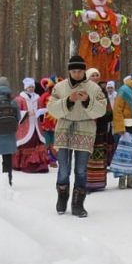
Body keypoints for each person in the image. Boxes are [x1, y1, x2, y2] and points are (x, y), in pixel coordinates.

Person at [47, 55, 107, 217]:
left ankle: (78, 203)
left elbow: (102, 109)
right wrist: (69, 100)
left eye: (80, 71)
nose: (77, 74)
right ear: (69, 71)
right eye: (74, 71)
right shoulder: (59, 87)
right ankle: (62, 196)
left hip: (85, 128)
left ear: (84, 71)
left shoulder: (93, 88)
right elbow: (51, 108)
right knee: (64, 168)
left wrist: (87, 101)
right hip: (64, 127)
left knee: (81, 169)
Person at [109, 69, 132, 189]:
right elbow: (117, 110)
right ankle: (122, 179)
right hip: (127, 127)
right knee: (124, 154)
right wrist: (119, 127)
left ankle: (131, 179)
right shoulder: (124, 90)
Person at [85, 67, 114, 192]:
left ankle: (98, 182)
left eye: (97, 75)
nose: (96, 77)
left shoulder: (103, 91)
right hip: (87, 128)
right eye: (93, 75)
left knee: (99, 154)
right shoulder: (84, 90)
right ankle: (87, 182)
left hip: (101, 128)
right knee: (87, 155)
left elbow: (108, 111)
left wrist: (103, 114)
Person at [13, 77, 49, 173]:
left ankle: (38, 164)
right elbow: (16, 113)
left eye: (32, 87)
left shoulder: (38, 98)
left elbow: (42, 109)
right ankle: (24, 164)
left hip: (36, 126)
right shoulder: (19, 99)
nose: (31, 89)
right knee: (26, 143)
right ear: (25, 88)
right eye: (29, 87)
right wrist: (27, 113)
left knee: (37, 142)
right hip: (25, 126)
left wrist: (42, 111)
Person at [38, 76, 58, 167]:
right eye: (52, 87)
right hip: (46, 122)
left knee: (54, 142)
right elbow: (40, 107)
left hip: (56, 122)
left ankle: (53, 160)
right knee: (46, 141)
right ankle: (45, 158)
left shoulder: (59, 96)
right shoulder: (44, 96)